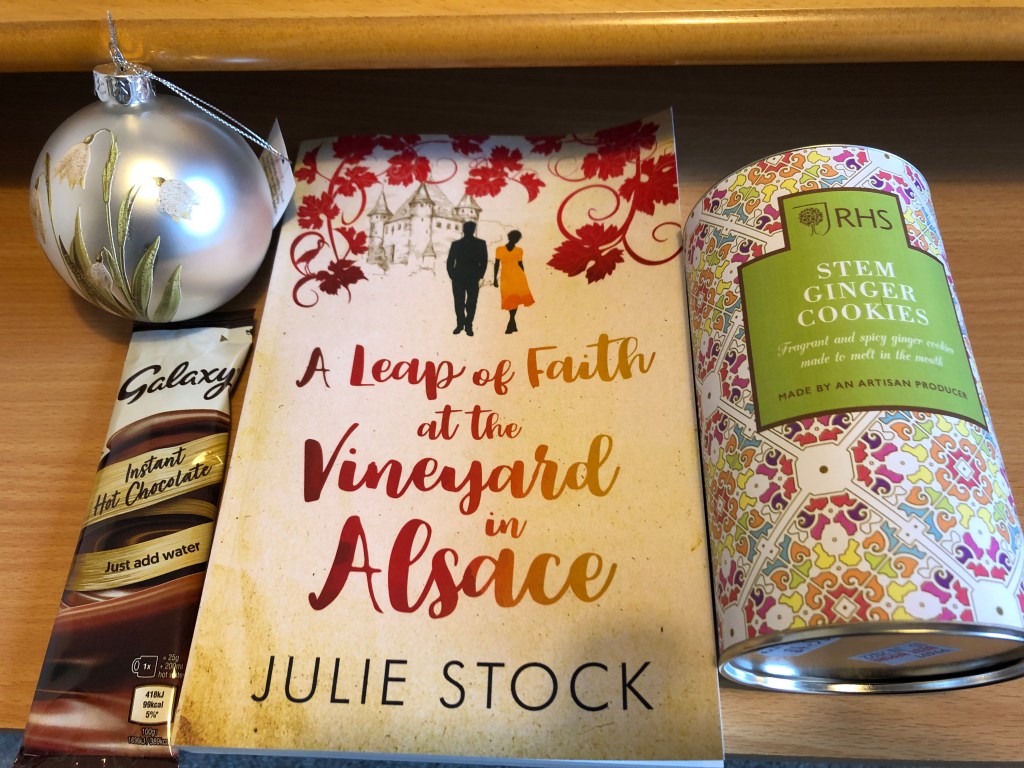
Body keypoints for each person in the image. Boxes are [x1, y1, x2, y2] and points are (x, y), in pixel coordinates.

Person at [446, 220, 488, 336]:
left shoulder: (481, 243)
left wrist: (479, 275)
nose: (468, 231)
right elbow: (450, 261)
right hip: (458, 278)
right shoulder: (456, 244)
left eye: (470, 229)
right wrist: (453, 275)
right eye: (467, 229)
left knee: (471, 302)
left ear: (473, 230)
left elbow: (484, 261)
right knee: (459, 302)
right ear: (464, 230)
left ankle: (468, 325)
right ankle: (460, 325)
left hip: (472, 278)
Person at [492, 230, 534, 334]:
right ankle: (512, 322)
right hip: (506, 277)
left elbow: (520, 264)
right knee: (509, 298)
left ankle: (510, 324)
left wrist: (523, 277)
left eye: (517, 239)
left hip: (517, 276)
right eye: (515, 238)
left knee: (515, 298)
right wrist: (495, 279)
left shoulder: (519, 250)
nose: (516, 240)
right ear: (510, 237)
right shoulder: (500, 249)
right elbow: (496, 264)